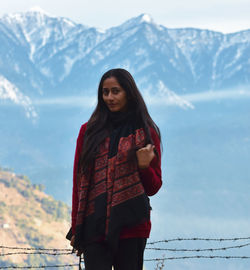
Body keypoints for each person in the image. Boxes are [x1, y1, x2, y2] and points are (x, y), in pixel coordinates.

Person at [68, 68, 162, 270]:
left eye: (115, 91)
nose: (109, 97)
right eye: (105, 92)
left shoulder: (146, 132)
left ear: (129, 92)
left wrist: (144, 166)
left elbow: (154, 187)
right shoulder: (89, 131)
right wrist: (77, 226)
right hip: (94, 226)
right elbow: (79, 181)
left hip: (132, 227)